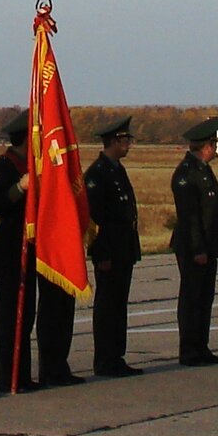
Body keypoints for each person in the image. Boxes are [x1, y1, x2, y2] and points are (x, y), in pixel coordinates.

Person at [84, 116, 143, 377]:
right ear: (115, 141)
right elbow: (96, 219)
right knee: (107, 306)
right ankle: (105, 359)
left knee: (118, 305)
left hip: (123, 249)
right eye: (125, 140)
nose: (129, 145)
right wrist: (101, 254)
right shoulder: (97, 174)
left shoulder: (117, 170)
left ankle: (116, 355)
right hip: (109, 251)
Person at [170, 117, 218, 366]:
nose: (215, 149)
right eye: (213, 144)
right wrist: (198, 248)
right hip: (193, 247)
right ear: (205, 146)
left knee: (205, 299)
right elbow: (190, 216)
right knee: (192, 299)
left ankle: (201, 346)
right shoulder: (186, 174)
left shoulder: (203, 171)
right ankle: (190, 349)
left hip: (207, 245)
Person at [0, 109, 39, 393]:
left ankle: (23, 373)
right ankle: (8, 375)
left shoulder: (30, 164)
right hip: (10, 245)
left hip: (30, 245)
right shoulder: (4, 167)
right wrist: (20, 188)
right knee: (10, 313)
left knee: (26, 311)